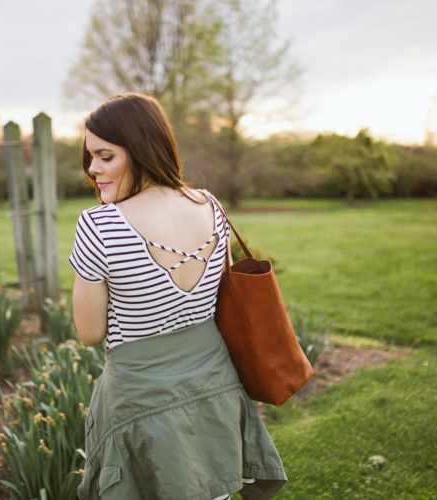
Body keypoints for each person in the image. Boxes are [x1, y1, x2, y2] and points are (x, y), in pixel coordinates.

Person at [69, 93, 286, 499]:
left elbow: (90, 331)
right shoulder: (211, 206)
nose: (92, 169)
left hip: (141, 402)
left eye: (105, 156)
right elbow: (218, 298)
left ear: (140, 150)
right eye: (90, 156)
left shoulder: (98, 225)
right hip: (214, 391)